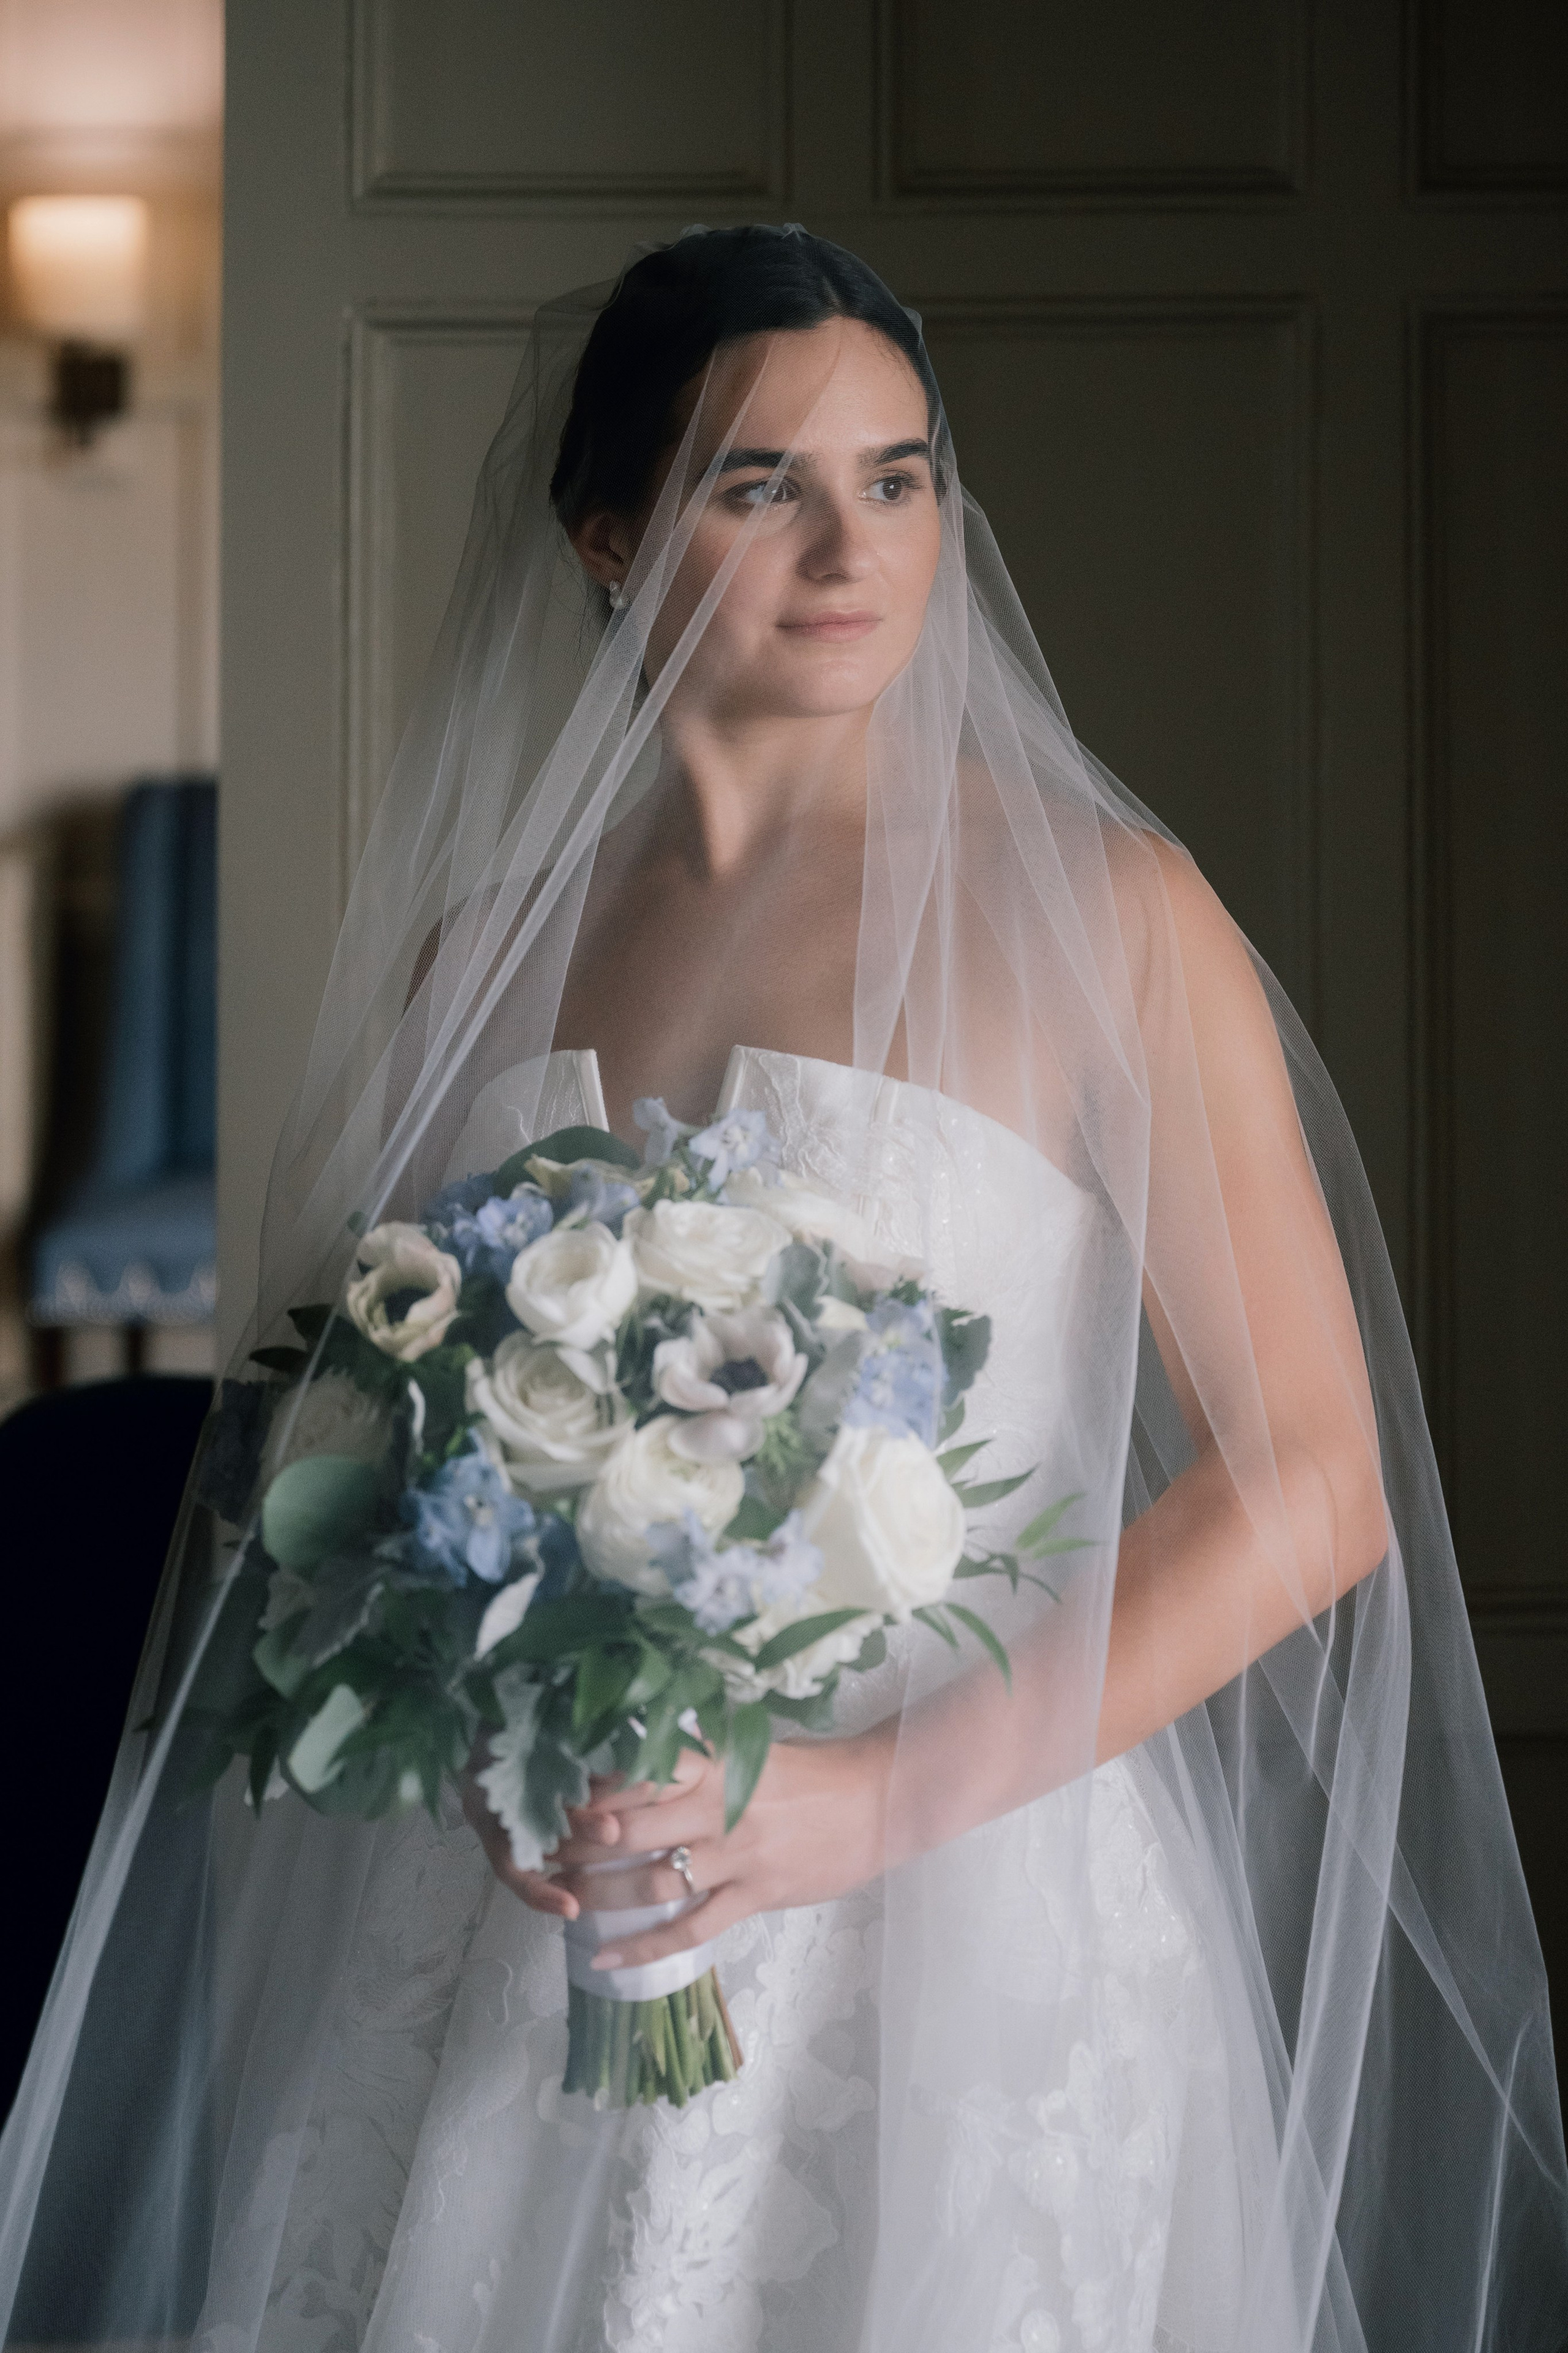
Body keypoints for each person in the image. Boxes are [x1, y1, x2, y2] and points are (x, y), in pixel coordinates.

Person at [1, 225, 1563, 2353]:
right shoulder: (483, 964)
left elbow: (1311, 1486)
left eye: (904, 476)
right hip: (535, 1906)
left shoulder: (1108, 913)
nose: (857, 546)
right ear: (614, 533)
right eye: (765, 485)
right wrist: (483, 1716)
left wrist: (860, 1803)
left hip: (956, 1915)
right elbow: (358, 1460)